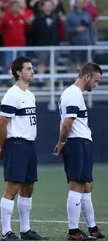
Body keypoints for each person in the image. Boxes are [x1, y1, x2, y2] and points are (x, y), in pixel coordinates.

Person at [0, 57, 47, 241]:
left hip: (29, 145)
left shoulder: (29, 95)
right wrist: (3, 148)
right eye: (28, 69)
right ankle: (6, 232)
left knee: (28, 187)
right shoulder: (12, 94)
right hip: (16, 144)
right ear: (18, 72)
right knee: (13, 187)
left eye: (32, 68)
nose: (32, 72)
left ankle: (25, 230)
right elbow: (2, 125)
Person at [53, 62, 104, 240]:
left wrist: (62, 141)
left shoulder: (74, 94)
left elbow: (65, 122)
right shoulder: (73, 93)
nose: (96, 85)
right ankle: (73, 231)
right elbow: (67, 123)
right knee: (77, 185)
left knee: (87, 185)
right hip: (77, 143)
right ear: (87, 76)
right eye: (96, 81)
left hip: (81, 142)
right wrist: (61, 142)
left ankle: (92, 228)